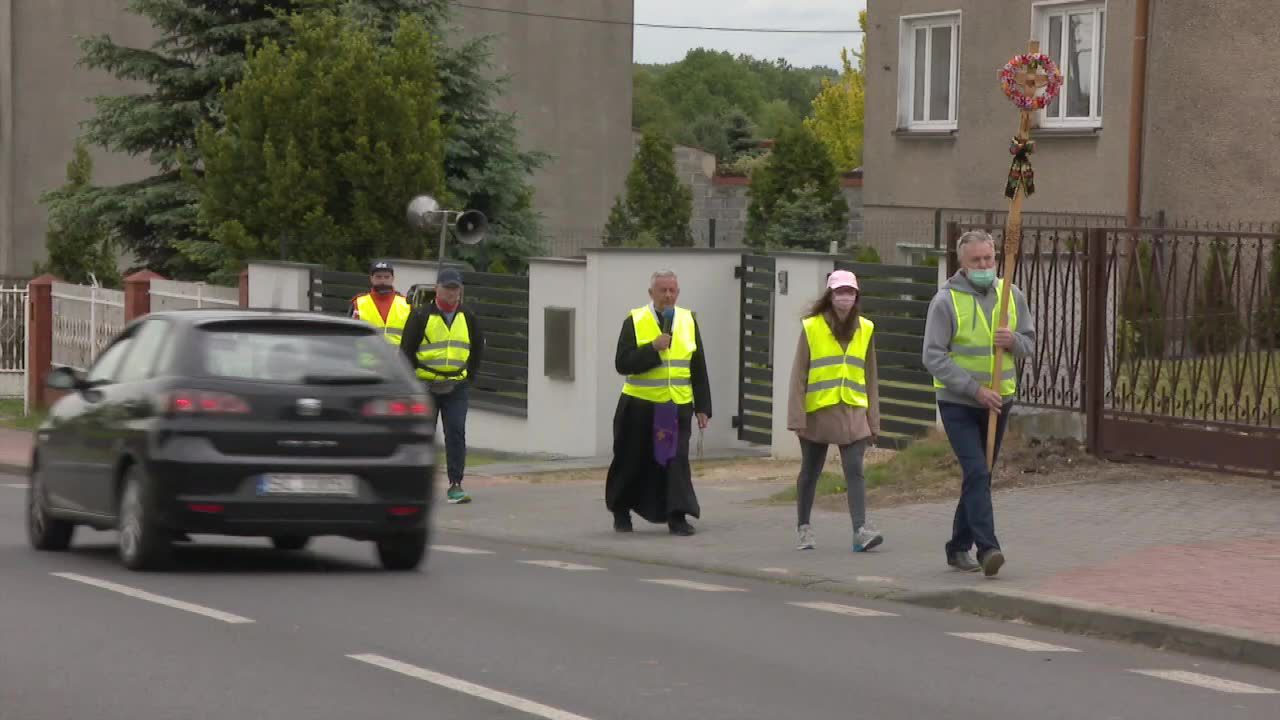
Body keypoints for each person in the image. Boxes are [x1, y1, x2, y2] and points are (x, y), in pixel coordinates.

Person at [924, 230, 1035, 577]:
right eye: (977, 261)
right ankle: (988, 548)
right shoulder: (945, 301)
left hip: (998, 402)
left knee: (979, 476)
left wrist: (1012, 339)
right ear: (963, 263)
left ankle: (957, 547)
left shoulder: (1011, 295)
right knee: (976, 471)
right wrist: (974, 389)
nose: (985, 265)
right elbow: (933, 356)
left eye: (989, 259)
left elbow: (1029, 344)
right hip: (958, 402)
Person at [605, 270, 711, 536]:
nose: (667, 296)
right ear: (651, 293)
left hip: (673, 406)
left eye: (672, 290)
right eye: (662, 291)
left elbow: (697, 367)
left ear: (678, 292)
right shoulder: (635, 320)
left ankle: (676, 516)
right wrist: (652, 348)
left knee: (674, 461)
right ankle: (621, 512)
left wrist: (703, 407)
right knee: (631, 461)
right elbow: (622, 363)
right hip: (640, 405)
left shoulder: (687, 320)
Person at [786, 269, 884, 553]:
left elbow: (871, 377)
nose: (845, 297)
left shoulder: (866, 328)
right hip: (818, 411)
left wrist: (873, 421)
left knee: (855, 470)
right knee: (810, 472)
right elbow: (798, 375)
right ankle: (804, 527)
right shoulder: (812, 327)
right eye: (840, 292)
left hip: (853, 410)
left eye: (850, 292)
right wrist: (796, 417)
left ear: (857, 297)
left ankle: (860, 531)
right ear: (830, 296)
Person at [401, 268, 485, 505]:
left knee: (456, 433)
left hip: (457, 387)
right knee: (422, 435)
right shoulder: (420, 316)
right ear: (437, 288)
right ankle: (417, 484)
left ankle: (455, 484)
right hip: (425, 385)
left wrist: (470, 378)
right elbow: (406, 351)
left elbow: (477, 348)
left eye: (455, 289)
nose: (451, 294)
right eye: (447, 288)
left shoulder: (467, 316)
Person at [351, 261, 412, 347]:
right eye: (378, 277)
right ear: (371, 278)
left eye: (387, 277)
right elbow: (350, 336)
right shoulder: (358, 303)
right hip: (366, 359)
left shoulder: (407, 303)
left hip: (396, 359)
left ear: (393, 279)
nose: (383, 281)